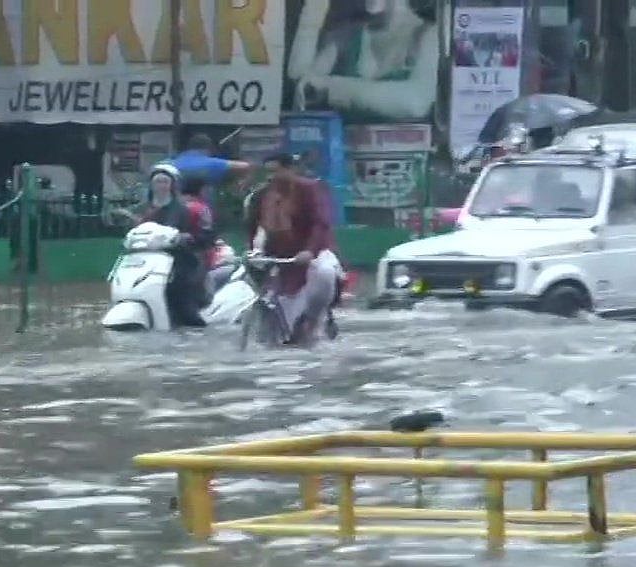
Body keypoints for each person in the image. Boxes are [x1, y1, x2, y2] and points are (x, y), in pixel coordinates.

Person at [288, 0, 437, 122]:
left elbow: (416, 102)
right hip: (344, 156)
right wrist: (312, 13)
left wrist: (333, 87)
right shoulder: (347, 36)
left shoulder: (429, 35)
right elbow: (302, 84)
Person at [246, 153, 341, 344]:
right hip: (280, 258)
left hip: (312, 254)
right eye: (268, 172)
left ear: (290, 170)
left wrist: (309, 251)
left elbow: (319, 224)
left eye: (276, 171)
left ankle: (313, 320)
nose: (271, 177)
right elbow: (255, 227)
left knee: (324, 273)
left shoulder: (310, 189)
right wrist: (254, 250)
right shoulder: (261, 195)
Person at [140, 164, 212, 327]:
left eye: (165, 182)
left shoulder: (181, 209)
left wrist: (183, 238)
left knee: (184, 304)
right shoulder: (143, 208)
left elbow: (198, 235)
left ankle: (194, 324)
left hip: (177, 261)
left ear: (172, 185)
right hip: (147, 260)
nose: (161, 186)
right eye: (157, 182)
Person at [171, 133, 256, 212]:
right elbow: (247, 166)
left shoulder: (171, 163)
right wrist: (240, 186)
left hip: (174, 209)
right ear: (208, 149)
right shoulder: (211, 163)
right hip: (202, 209)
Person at [178, 176, 218, 307]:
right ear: (201, 190)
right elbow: (207, 232)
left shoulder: (174, 205)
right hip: (196, 253)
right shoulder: (201, 208)